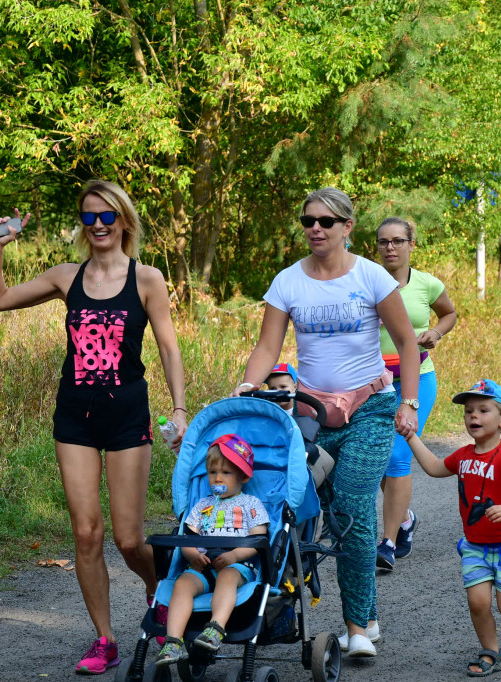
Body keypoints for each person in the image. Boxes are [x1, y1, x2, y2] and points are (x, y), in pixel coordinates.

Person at [0, 179, 188, 674]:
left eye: (107, 216)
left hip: (127, 415)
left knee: (128, 538)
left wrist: (180, 409)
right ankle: (104, 639)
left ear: (123, 220)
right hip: (74, 415)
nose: (97, 225)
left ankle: (159, 587)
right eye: (89, 216)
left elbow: (166, 346)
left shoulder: (147, 279)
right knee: (86, 533)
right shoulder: (64, 276)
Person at [231, 187, 420, 658]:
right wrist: (248, 387)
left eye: (326, 221)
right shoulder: (288, 282)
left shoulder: (373, 277)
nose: (316, 228)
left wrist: (410, 402)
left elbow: (407, 342)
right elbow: (267, 348)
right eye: (308, 220)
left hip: (371, 409)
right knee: (321, 513)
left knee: (354, 504)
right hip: (311, 414)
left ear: (347, 227)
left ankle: (357, 629)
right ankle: (367, 616)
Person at [406, 379, 501, 677]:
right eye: (469, 411)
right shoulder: (463, 456)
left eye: (483, 410)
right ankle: (490, 651)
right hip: (475, 545)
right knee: (478, 601)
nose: (473, 416)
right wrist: (411, 438)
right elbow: (433, 467)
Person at [374, 217, 457, 572]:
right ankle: (405, 519)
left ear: (411, 244)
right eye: (382, 242)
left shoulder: (427, 284)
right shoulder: (364, 281)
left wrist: (436, 332)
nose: (390, 248)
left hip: (417, 378)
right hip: (372, 384)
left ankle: (387, 543)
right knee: (373, 459)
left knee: (395, 457)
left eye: (397, 241)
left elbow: (450, 313)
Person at [157, 434, 269, 666]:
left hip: (237, 565)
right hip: (203, 564)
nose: (217, 478)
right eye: (212, 472)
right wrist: (192, 555)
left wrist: (235, 555)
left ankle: (215, 628)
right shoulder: (202, 505)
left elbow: (259, 539)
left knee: (227, 577)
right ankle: (173, 641)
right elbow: (188, 536)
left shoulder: (251, 504)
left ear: (243, 476)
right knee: (182, 584)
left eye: (226, 473)